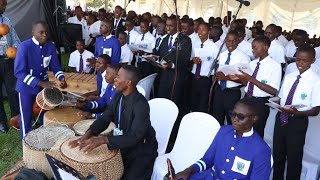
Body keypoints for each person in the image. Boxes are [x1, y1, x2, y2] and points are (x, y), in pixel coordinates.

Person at [69, 65, 158, 179]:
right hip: (123, 140)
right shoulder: (118, 97)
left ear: (128, 82)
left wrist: (103, 139)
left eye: (118, 77)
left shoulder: (141, 105)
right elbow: (104, 118)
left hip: (142, 149)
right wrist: (87, 135)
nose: (115, 79)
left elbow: (135, 136)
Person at [174, 98, 271, 180]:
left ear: (254, 118)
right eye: (233, 114)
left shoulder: (261, 150)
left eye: (241, 117)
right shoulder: (224, 131)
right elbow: (207, 160)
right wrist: (188, 170)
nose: (234, 119)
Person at [272, 44, 320, 180]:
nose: (300, 63)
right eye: (298, 59)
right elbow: (281, 98)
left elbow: (316, 110)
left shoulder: (316, 81)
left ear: (313, 60)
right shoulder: (289, 76)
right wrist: (274, 102)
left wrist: (297, 113)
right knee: (278, 155)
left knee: (294, 158)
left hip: (297, 122)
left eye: (304, 60)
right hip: (281, 118)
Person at [14, 21, 67, 138]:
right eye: (41, 32)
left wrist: (61, 78)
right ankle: (26, 144)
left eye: (46, 32)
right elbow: (19, 72)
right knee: (26, 117)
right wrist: (41, 83)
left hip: (43, 88)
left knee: (44, 114)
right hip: (26, 89)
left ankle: (44, 140)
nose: (44, 35)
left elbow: (56, 66)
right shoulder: (24, 47)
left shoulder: (50, 46)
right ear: (33, 32)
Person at [236, 36, 282, 138]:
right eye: (252, 47)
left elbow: (273, 91)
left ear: (265, 48)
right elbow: (247, 85)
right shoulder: (252, 64)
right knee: (242, 128)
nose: (253, 50)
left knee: (256, 131)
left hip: (260, 103)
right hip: (247, 98)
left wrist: (252, 79)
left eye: (255, 47)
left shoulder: (275, 66)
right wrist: (243, 78)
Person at [212, 31, 250, 126]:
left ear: (238, 41)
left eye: (233, 41)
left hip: (232, 92)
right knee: (217, 117)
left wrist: (227, 78)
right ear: (225, 41)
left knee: (231, 118)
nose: (231, 44)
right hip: (220, 90)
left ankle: (231, 138)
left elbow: (245, 79)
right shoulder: (222, 55)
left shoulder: (243, 58)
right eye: (228, 41)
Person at [0, 0, 20, 133]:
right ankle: (1, 123)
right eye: (2, 4)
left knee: (13, 91)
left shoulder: (6, 20)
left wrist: (16, 49)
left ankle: (16, 120)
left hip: (7, 60)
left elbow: (16, 39)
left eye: (5, 4)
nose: (4, 7)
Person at [190, 23, 218, 112]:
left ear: (209, 32)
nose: (200, 32)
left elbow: (217, 62)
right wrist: (192, 60)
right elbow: (189, 58)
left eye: (203, 30)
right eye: (199, 29)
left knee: (203, 103)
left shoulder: (213, 47)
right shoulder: (194, 43)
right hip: (194, 76)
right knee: (193, 101)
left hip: (205, 78)